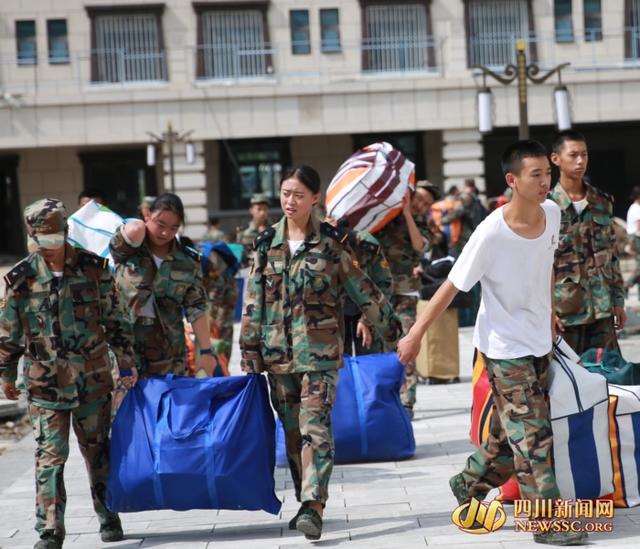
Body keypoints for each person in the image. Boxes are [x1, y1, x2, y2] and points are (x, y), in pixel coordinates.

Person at [397, 140, 586, 547]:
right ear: (512, 180)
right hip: (503, 349)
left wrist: (550, 310)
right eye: (536, 175)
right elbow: (450, 288)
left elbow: (546, 265)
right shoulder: (489, 234)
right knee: (534, 436)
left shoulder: (552, 214)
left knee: (507, 439)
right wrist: (414, 335)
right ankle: (548, 523)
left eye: (547, 175)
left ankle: (467, 482)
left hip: (539, 342)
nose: (545, 183)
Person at [240, 166, 401, 541]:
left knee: (315, 428)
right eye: (285, 193)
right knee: (293, 433)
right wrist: (249, 353)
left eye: (298, 194)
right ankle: (304, 499)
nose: (289, 201)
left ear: (315, 199)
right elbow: (253, 301)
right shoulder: (266, 244)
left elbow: (364, 290)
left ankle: (314, 504)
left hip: (321, 355)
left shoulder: (333, 244)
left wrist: (396, 335)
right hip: (278, 356)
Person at [0, 198, 137, 549]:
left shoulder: (94, 268)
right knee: (50, 457)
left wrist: (126, 361)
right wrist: (5, 374)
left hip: (91, 380)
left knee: (98, 451)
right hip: (44, 384)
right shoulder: (21, 279)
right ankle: (49, 530)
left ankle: (109, 516)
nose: (49, 246)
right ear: (32, 236)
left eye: (55, 237)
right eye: (41, 239)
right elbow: (8, 333)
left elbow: (116, 318)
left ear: (66, 232)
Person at [109, 193, 216, 378]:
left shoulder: (188, 261)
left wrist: (206, 352)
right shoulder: (128, 249)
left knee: (167, 404)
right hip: (125, 347)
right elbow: (130, 232)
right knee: (126, 404)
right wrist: (140, 224)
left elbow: (196, 308)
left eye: (174, 227)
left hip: (168, 352)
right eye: (160, 224)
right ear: (147, 215)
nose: (166, 233)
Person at [550, 130, 626, 354]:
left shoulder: (601, 202)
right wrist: (548, 312)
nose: (580, 161)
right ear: (556, 159)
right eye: (573, 155)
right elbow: (537, 266)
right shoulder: (546, 208)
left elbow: (612, 255)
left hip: (602, 311)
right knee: (566, 382)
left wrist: (618, 300)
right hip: (565, 314)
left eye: (584, 154)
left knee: (609, 379)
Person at [374, 181, 434, 418]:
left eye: (427, 203)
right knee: (383, 347)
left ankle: (407, 403)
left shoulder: (422, 225)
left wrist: (409, 214)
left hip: (406, 291)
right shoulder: (386, 217)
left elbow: (420, 247)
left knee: (407, 346)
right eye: (419, 198)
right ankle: (385, 400)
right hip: (381, 291)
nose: (422, 205)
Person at [236, 193, 270, 268]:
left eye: (265, 209)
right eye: (259, 209)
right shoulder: (243, 232)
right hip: (250, 272)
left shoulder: (274, 230)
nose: (262, 213)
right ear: (251, 210)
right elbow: (240, 257)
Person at [625, 185, 640, 294]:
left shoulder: (633, 208)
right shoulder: (636, 208)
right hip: (637, 238)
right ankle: (627, 284)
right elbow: (638, 226)